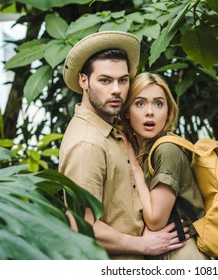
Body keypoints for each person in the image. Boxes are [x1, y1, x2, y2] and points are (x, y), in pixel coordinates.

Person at [59, 31, 188, 260]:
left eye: (123, 80)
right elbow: (83, 227)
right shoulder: (87, 144)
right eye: (105, 80)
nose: (117, 89)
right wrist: (143, 245)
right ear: (84, 80)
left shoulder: (112, 132)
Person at [121, 72, 210, 260]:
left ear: (168, 112)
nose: (150, 111)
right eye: (140, 103)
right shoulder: (145, 151)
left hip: (182, 254)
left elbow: (155, 220)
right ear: (127, 111)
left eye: (158, 103)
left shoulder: (167, 149)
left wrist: (135, 169)